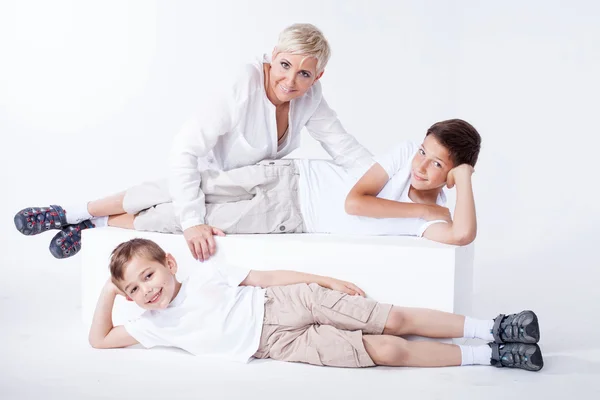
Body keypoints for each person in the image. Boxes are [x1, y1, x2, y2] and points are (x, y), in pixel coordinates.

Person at [11, 23, 374, 261]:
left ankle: (92, 228)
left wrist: (389, 183)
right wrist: (192, 221)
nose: (290, 80)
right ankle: (73, 213)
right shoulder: (241, 86)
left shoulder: (311, 97)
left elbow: (343, 146)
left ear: (318, 76)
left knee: (164, 214)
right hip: (206, 173)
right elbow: (185, 150)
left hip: (251, 183)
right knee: (162, 197)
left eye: (304, 73)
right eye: (284, 65)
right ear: (272, 56)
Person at [13, 119, 480, 259]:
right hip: (290, 177)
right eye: (423, 151)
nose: (421, 165)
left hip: (289, 220)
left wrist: (461, 186)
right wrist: (418, 211)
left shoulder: (440, 218)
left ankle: (92, 228)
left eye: (437, 163)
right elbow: (355, 202)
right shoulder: (403, 158)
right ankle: (69, 209)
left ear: (455, 173)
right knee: (176, 186)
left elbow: (462, 235)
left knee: (175, 220)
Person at [88, 238, 543, 372]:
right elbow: (100, 339)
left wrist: (320, 280)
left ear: (169, 263)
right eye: (133, 290)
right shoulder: (154, 324)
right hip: (277, 344)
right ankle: (492, 355)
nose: (145, 291)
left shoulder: (207, 273)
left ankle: (493, 326)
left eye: (148, 276)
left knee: (394, 318)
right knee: (386, 350)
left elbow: (266, 278)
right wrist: (109, 291)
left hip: (285, 301)